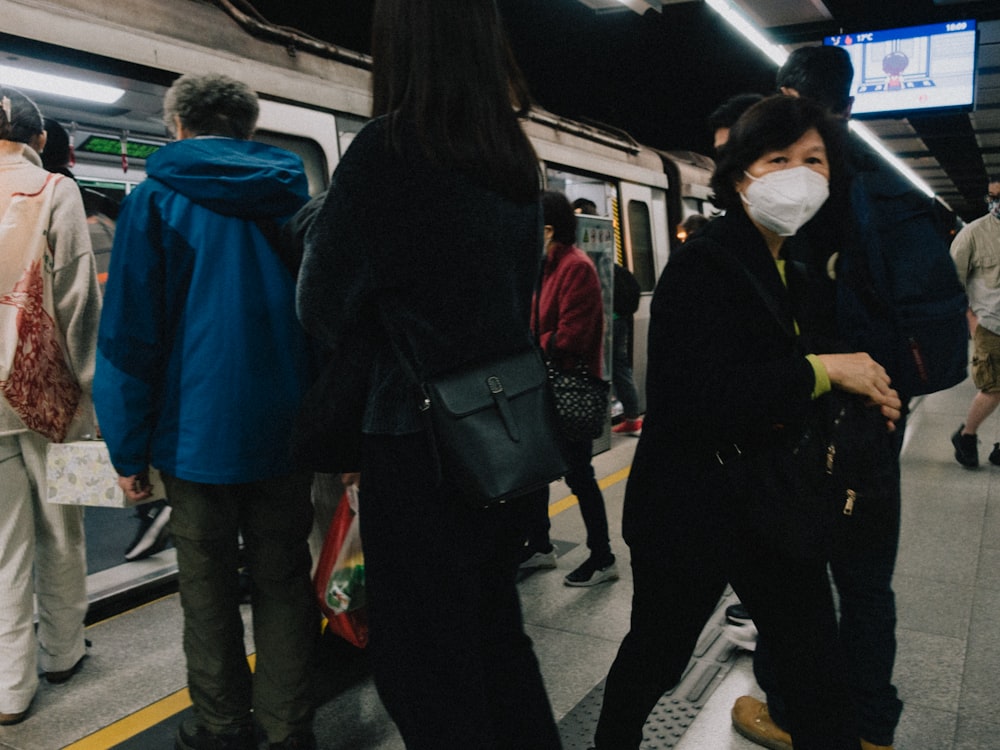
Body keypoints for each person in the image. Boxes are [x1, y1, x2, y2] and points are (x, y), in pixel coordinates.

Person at [591, 94, 902, 750]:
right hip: (691, 506)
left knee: (817, 671)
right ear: (739, 176)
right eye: (778, 158)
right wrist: (827, 372)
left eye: (813, 159)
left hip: (773, 502)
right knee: (658, 651)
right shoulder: (705, 265)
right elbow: (703, 397)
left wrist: (864, 392)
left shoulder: (800, 263)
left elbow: (808, 372)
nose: (799, 173)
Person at [295, 1, 562, 747]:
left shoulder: (388, 150)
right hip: (502, 438)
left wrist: (322, 222)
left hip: (417, 445)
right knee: (496, 638)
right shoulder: (512, 155)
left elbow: (320, 303)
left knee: (420, 664)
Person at [94, 73, 318, 750]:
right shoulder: (295, 197)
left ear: (179, 126)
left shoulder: (155, 202)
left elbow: (131, 337)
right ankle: (288, 730)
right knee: (284, 579)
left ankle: (223, 727)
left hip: (194, 437)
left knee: (208, 586)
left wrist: (127, 451)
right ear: (249, 128)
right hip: (286, 429)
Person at [733, 45, 930, 750]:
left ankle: (787, 712)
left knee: (792, 577)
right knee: (869, 584)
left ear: (786, 92)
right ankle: (873, 728)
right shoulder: (889, 184)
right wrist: (891, 390)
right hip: (875, 419)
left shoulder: (789, 185)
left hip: (800, 422)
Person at [0, 87, 100, 725]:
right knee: (63, 530)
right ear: (38, 140)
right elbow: (77, 306)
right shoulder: (55, 192)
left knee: (3, 546)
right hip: (50, 395)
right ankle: (62, 651)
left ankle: (9, 687)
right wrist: (93, 395)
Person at [519, 190, 619, 586]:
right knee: (536, 473)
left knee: (579, 474)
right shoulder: (545, 268)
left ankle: (603, 556)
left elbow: (573, 337)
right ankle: (541, 545)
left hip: (568, 387)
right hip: (544, 386)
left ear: (547, 230)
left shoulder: (576, 267)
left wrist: (534, 343)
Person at [950, 175, 1000, 468]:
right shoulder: (972, 234)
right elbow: (952, 284)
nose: (996, 204)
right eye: (992, 198)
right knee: (992, 388)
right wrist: (971, 320)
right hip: (991, 324)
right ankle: (967, 436)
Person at [610, 261, 643, 435]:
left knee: (617, 369)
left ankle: (630, 417)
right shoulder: (616, 269)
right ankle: (631, 417)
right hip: (620, 321)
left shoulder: (601, 267)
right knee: (620, 368)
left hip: (611, 323)